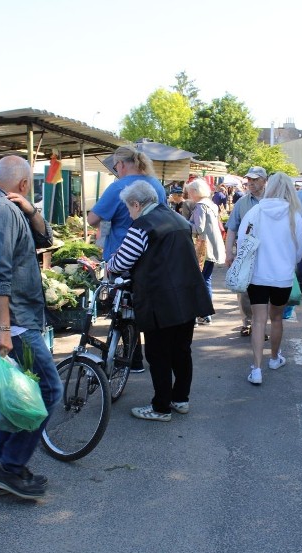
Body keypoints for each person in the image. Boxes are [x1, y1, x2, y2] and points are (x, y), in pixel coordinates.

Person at [0, 155, 61, 501]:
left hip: (17, 321)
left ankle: (8, 467)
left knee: (14, 396)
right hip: (16, 322)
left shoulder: (7, 208)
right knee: (49, 392)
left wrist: (32, 211)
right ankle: (8, 467)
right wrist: (3, 329)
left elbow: (45, 240)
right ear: (24, 183)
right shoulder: (0, 213)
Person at [107, 180, 213, 422]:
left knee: (158, 354)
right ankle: (180, 399)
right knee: (181, 351)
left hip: (161, 299)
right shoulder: (176, 219)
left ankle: (161, 407)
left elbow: (122, 262)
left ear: (136, 204)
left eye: (129, 208)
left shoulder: (143, 226)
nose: (130, 213)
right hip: (188, 295)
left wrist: (109, 263)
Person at [88, 145, 166, 372]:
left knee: (122, 307)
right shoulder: (156, 185)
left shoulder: (118, 187)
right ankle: (146, 357)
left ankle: (132, 359)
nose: (116, 171)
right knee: (143, 304)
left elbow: (93, 218)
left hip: (122, 254)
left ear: (121, 164)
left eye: (115, 167)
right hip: (150, 254)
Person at [238, 172, 302, 385]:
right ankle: (275, 358)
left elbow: (242, 240)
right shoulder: (293, 215)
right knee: (277, 318)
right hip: (282, 277)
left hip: (257, 275)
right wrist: (288, 261)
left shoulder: (256, 211)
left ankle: (256, 369)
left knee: (258, 321)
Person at [226, 166, 268, 337]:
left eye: (254, 179)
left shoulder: (274, 200)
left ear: (265, 180)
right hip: (246, 253)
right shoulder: (242, 202)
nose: (249, 182)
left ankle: (261, 326)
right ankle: (247, 322)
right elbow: (231, 229)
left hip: (267, 253)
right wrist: (229, 253)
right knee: (244, 289)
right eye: (248, 179)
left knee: (265, 290)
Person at [185, 178, 226, 325]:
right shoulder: (211, 204)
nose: (188, 194)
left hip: (204, 249)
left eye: (189, 191)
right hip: (212, 248)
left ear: (195, 191)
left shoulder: (201, 206)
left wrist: (185, 223)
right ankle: (206, 313)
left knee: (198, 281)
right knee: (205, 280)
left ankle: (201, 313)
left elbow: (198, 228)